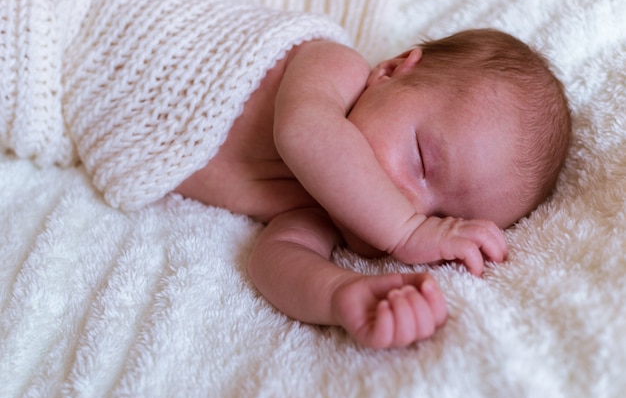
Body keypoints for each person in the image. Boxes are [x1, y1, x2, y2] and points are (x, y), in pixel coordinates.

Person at [174, 28, 571, 349]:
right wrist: (410, 230)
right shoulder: (332, 66)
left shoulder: (320, 214)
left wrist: (342, 294)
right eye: (421, 161)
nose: (409, 202)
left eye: (441, 218)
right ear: (393, 71)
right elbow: (302, 131)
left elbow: (273, 261)